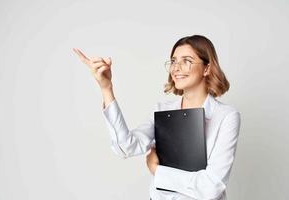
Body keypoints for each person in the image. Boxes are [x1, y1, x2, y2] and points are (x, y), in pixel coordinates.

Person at [73, 35, 241, 200]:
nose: (176, 68)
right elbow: (125, 146)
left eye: (186, 61)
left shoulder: (226, 117)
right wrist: (106, 88)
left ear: (207, 68)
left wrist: (157, 170)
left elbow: (211, 188)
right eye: (174, 61)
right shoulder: (162, 110)